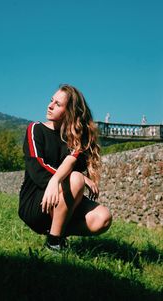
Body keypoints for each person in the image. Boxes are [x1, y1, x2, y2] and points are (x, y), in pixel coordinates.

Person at [18, 84, 112, 251]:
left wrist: (67, 178)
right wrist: (72, 178)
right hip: (35, 203)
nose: (50, 105)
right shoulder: (36, 129)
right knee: (76, 178)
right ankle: (54, 244)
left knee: (102, 218)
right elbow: (37, 169)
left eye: (58, 104)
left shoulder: (76, 139)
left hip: (63, 202)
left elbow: (74, 164)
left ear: (69, 112)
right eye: (51, 100)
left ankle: (56, 233)